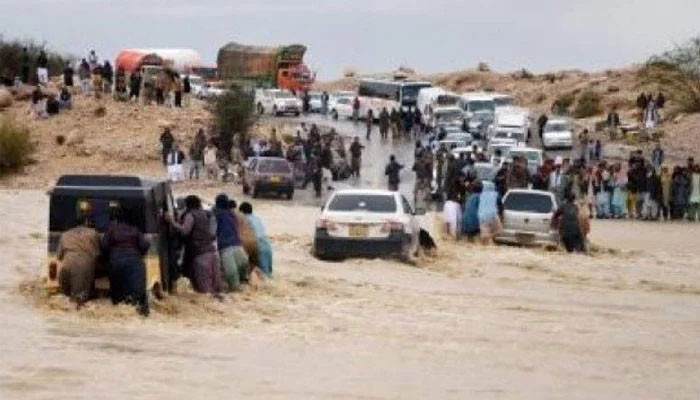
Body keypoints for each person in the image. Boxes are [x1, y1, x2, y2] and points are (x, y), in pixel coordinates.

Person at [167, 195, 222, 297]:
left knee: (205, 291)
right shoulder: (204, 214)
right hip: (212, 253)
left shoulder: (190, 215)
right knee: (216, 289)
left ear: (187, 205)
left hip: (200, 255)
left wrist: (172, 222)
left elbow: (184, 231)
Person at [101, 206, 150, 316]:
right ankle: (141, 315)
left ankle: (118, 314)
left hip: (116, 262)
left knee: (117, 293)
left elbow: (104, 246)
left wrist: (109, 256)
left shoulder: (111, 229)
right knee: (138, 294)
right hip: (135, 263)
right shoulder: (136, 230)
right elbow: (144, 245)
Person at [57, 209, 101, 308]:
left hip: (66, 266)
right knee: (79, 300)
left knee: (66, 297)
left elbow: (59, 256)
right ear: (85, 222)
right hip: (83, 266)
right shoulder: (93, 233)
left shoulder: (64, 235)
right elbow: (97, 253)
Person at [213, 194, 249, 291]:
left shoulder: (216, 215)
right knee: (243, 269)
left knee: (232, 275)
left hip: (225, 248)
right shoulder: (232, 214)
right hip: (238, 246)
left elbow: (212, 232)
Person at [239, 202, 273, 277]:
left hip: (256, 246)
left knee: (258, 276)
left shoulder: (244, 219)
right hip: (267, 245)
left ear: (241, 212)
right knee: (268, 276)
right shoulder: (257, 218)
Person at [477, 181, 501, 245]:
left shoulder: (480, 195)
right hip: (493, 215)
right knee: (498, 231)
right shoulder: (496, 194)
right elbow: (500, 205)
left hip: (482, 216)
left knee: (484, 234)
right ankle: (489, 237)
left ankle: (484, 244)